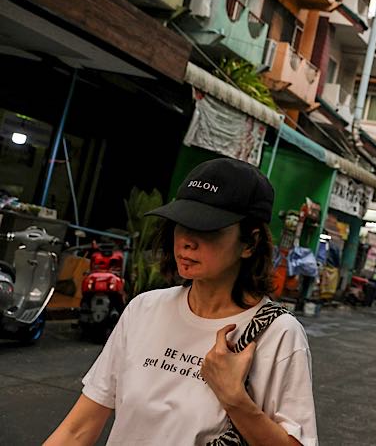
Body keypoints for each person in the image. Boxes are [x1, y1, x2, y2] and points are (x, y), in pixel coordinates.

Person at [46, 158, 316, 446]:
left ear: (249, 243)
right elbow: (78, 429)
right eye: (182, 223)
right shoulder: (144, 309)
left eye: (207, 228)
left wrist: (236, 400)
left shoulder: (279, 335)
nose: (186, 241)